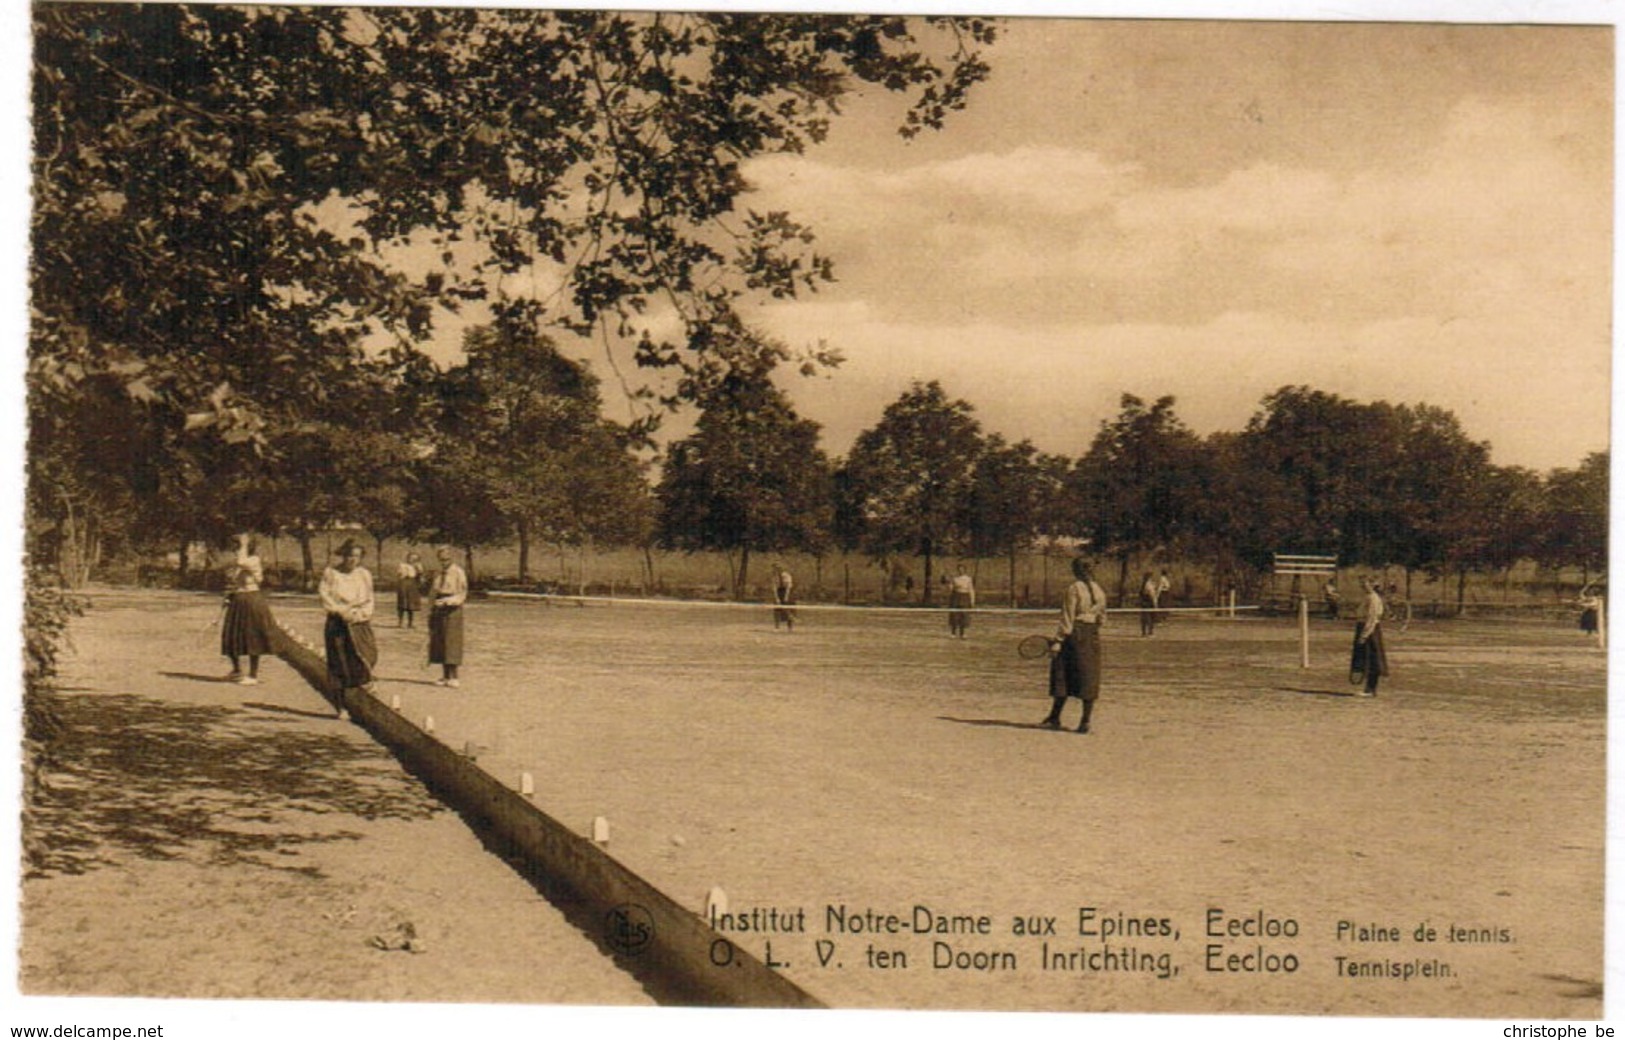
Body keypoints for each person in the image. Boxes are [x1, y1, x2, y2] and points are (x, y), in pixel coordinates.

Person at [1041, 558, 1108, 734]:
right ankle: (1083, 721)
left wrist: (1058, 640)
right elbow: (1102, 617)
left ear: (1076, 570)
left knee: (1062, 673)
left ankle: (1055, 717)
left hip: (1074, 635)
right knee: (1089, 676)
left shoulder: (1074, 588)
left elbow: (1068, 616)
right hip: (1092, 634)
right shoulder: (1099, 589)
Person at [319, 539, 377, 711]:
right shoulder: (331, 573)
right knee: (340, 663)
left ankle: (365, 688)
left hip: (359, 621)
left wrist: (361, 614)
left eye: (357, 556)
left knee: (367, 655)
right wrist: (340, 611)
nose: (353, 560)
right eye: (350, 556)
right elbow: (325, 596)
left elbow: (369, 598)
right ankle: (340, 706)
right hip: (338, 623)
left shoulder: (364, 574)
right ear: (343, 556)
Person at [220, 533, 275, 686]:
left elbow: (241, 561)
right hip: (239, 599)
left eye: (236, 546)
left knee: (252, 636)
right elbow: (235, 581)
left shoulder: (253, 560)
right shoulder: (239, 563)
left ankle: (253, 674)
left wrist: (243, 544)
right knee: (231, 635)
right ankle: (236, 670)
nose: (234, 550)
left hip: (252, 599)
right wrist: (229, 595)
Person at [428, 546, 468, 688]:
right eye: (441, 559)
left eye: (446, 559)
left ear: (452, 558)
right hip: (439, 607)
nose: (444, 562)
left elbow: (462, 593)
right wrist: (432, 606)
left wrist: (448, 602)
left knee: (452, 641)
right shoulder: (438, 573)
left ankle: (454, 676)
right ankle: (445, 675)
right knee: (440, 640)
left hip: (452, 609)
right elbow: (433, 591)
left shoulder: (458, 572)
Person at [1348, 576, 1389, 698]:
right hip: (1364, 627)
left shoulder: (1374, 599)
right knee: (1365, 659)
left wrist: (1365, 634)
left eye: (1365, 584)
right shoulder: (1367, 597)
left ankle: (1370, 689)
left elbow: (1371, 618)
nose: (1363, 586)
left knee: (1373, 660)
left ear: (1372, 585)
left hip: (1371, 631)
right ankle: (1368, 688)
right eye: (1361, 584)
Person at [396, 551, 424, 629]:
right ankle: (400, 622)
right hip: (404, 583)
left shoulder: (417, 566)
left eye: (415, 559)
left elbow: (420, 576)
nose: (412, 560)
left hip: (412, 584)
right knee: (402, 603)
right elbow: (400, 575)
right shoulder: (402, 565)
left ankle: (410, 623)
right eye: (411, 558)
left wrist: (418, 569)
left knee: (411, 604)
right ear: (407, 558)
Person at [947, 566, 975, 639]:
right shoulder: (955, 579)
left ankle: (962, 633)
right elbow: (951, 589)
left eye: (962, 569)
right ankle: (953, 633)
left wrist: (972, 600)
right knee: (954, 614)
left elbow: (971, 589)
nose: (960, 571)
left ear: (964, 570)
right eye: (959, 570)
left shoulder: (968, 579)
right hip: (956, 597)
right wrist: (949, 583)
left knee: (964, 615)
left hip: (965, 597)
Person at [773, 564, 796, 631]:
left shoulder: (786, 576)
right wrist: (777, 598)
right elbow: (774, 588)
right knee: (777, 610)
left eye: (777, 569)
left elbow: (788, 587)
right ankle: (777, 627)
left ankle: (790, 627)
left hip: (787, 592)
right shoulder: (775, 577)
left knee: (789, 609)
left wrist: (786, 597)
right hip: (779, 592)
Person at [1138, 572, 1159, 637]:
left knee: (1144, 618)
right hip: (1149, 602)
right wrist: (1155, 603)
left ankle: (1144, 632)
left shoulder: (1143, 584)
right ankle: (1150, 632)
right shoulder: (1149, 585)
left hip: (1144, 603)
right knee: (1150, 617)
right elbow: (1152, 594)